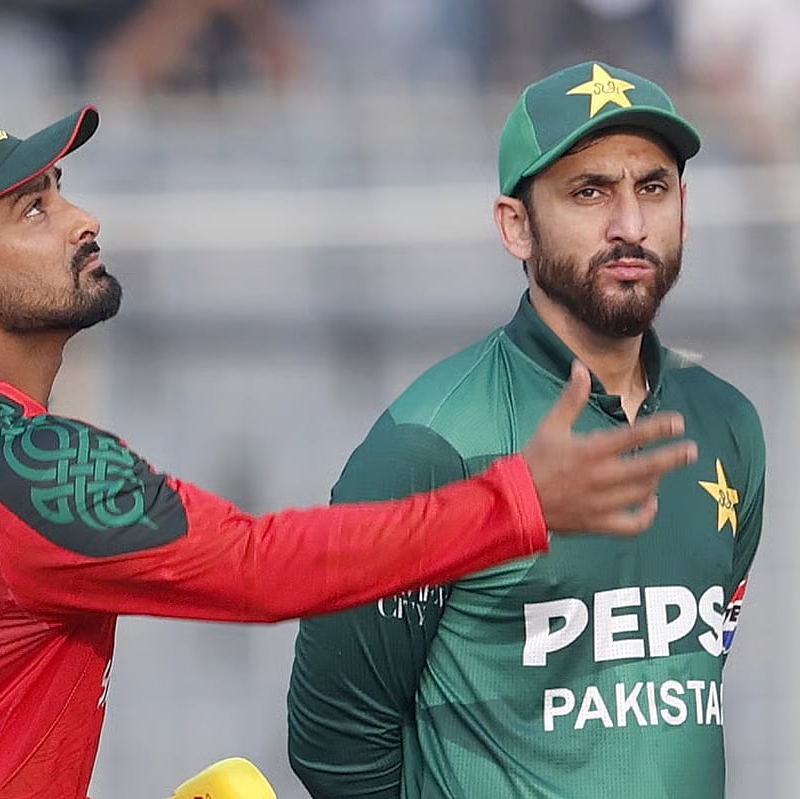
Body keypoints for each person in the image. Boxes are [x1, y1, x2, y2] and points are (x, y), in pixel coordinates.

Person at [0, 103, 696, 799]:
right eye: (34, 208)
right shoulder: (14, 465)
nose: (82, 217)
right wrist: (517, 503)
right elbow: (258, 569)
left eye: (61, 186)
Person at [288, 61, 766, 799]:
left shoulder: (728, 424)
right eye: (589, 191)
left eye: (654, 186)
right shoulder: (428, 443)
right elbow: (334, 744)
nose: (631, 226)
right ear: (516, 225)